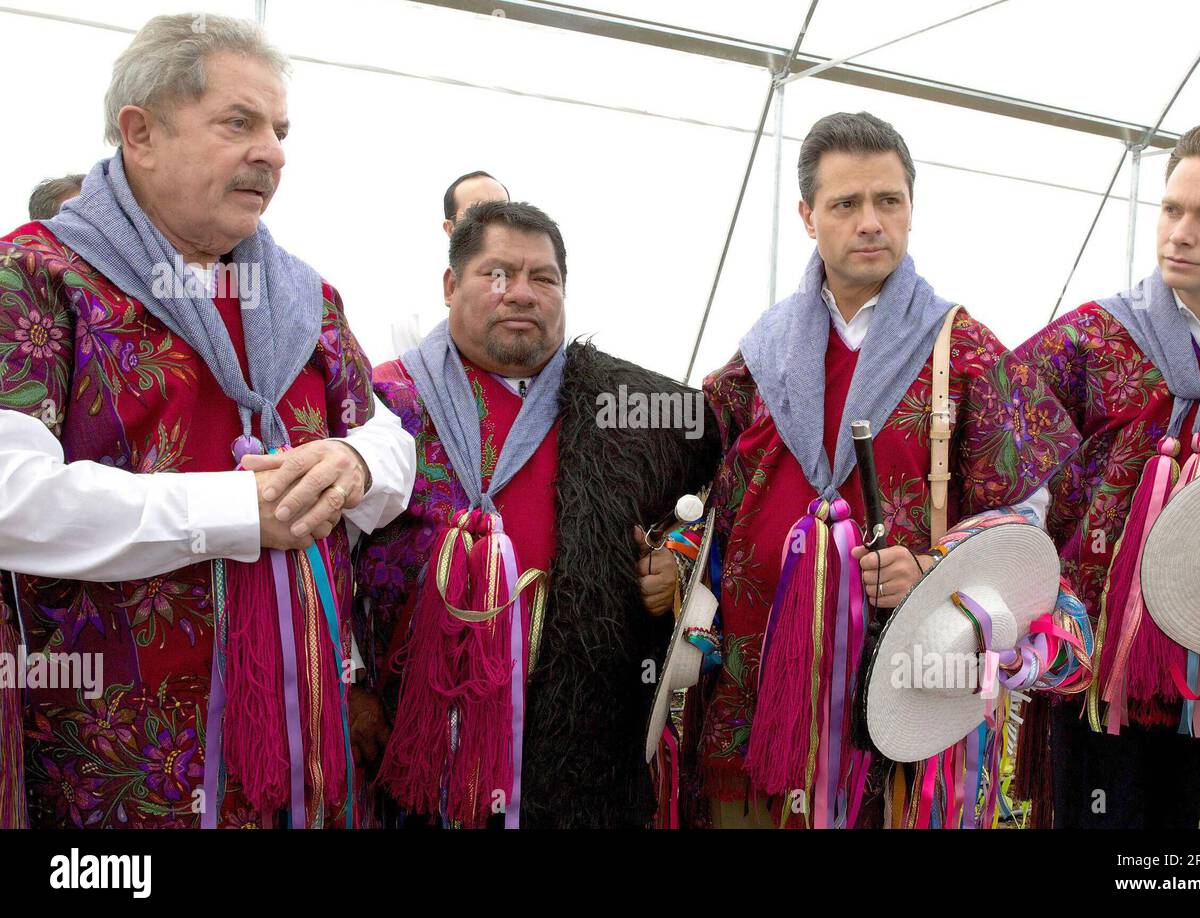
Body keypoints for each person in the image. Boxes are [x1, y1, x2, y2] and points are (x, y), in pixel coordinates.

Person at [0, 13, 415, 828]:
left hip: (302, 751)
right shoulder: (36, 277)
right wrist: (238, 512)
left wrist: (355, 464)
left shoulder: (306, 298)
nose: (274, 151)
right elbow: (12, 500)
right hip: (120, 764)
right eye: (239, 122)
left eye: (281, 129)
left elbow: (390, 436)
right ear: (141, 132)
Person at [684, 111, 1080, 828]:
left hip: (902, 670)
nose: (870, 222)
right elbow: (701, 483)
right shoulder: (764, 352)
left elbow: (1026, 519)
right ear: (808, 217)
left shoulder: (964, 351)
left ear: (910, 209)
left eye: (888, 201)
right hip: (759, 668)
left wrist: (934, 566)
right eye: (845, 204)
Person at [351, 200, 720, 828]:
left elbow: (728, 473)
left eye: (542, 279)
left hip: (577, 759)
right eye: (496, 275)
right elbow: (322, 551)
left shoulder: (625, 406)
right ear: (449, 285)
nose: (520, 293)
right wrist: (350, 685)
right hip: (412, 739)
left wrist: (674, 563)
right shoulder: (381, 402)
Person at [1014, 116, 1200, 828]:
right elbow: (997, 458)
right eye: (1172, 208)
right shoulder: (1088, 338)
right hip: (1094, 669)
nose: (1180, 232)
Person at [391, 171, 511, 355]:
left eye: (503, 211)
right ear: (450, 228)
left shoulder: (541, 297)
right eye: (477, 211)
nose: (494, 222)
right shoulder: (414, 319)